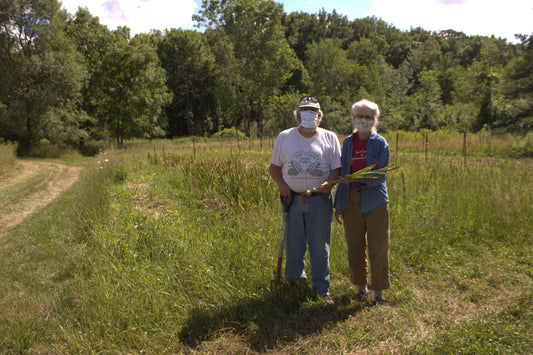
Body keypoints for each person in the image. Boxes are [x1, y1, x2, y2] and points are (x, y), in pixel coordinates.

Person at [269, 96, 341, 303]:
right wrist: (282, 185)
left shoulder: (329, 137)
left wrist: (329, 183)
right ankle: (294, 281)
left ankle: (321, 288)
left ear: (319, 117)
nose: (309, 114)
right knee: (294, 242)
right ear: (298, 114)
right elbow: (274, 167)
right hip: (292, 198)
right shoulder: (285, 137)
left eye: (313, 111)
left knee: (320, 245)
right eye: (305, 110)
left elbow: (337, 168)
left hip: (319, 199)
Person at [334, 99, 391, 305]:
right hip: (351, 201)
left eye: (368, 117)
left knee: (378, 246)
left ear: (375, 120)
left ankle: (378, 293)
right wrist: (339, 205)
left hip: (375, 200)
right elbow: (343, 175)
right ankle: (361, 289)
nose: (363, 120)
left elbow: (381, 175)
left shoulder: (380, 143)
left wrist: (357, 179)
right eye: (360, 116)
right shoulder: (348, 142)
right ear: (354, 118)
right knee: (355, 246)